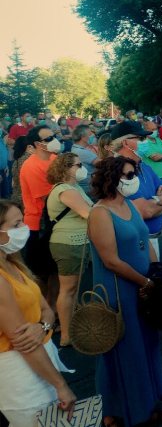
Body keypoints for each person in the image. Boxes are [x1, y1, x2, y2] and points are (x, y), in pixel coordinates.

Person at [87, 156, 162, 426]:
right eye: (128, 175)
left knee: (145, 347)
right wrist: (145, 282)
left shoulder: (130, 206)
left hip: (143, 288)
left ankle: (146, 405)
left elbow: (145, 240)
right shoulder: (100, 213)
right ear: (111, 178)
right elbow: (110, 260)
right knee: (124, 352)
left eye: (133, 174)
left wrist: (157, 273)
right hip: (119, 292)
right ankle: (117, 412)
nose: (133, 180)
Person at [0, 199, 77, 424]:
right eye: (16, 225)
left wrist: (42, 326)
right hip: (19, 372)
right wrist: (61, 386)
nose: (23, 229)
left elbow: (46, 309)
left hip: (40, 361)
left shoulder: (14, 265)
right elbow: (23, 341)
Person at [110, 121, 162, 260]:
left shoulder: (143, 166)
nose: (145, 141)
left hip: (151, 239)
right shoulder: (117, 171)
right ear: (125, 143)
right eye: (140, 138)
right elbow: (145, 212)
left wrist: (155, 202)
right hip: (135, 242)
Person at [45, 153, 93, 349]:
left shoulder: (75, 187)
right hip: (69, 243)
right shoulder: (65, 189)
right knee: (68, 290)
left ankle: (67, 328)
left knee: (71, 290)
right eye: (78, 165)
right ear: (66, 169)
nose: (82, 168)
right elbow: (88, 213)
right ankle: (66, 335)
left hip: (78, 242)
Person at [20, 125, 60, 291]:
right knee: (40, 274)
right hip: (39, 225)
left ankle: (54, 308)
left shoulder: (53, 159)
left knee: (54, 271)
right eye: (48, 138)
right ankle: (42, 311)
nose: (54, 140)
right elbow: (50, 197)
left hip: (53, 220)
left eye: (53, 136)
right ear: (37, 144)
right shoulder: (31, 166)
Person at [136, 121, 162, 186]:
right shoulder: (144, 142)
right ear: (145, 130)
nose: (155, 131)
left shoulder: (158, 139)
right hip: (152, 175)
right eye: (152, 129)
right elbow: (155, 158)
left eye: (156, 129)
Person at [71, 124, 99, 194]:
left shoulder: (75, 148)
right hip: (90, 189)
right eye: (90, 134)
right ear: (83, 137)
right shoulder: (82, 152)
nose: (93, 135)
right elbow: (105, 164)